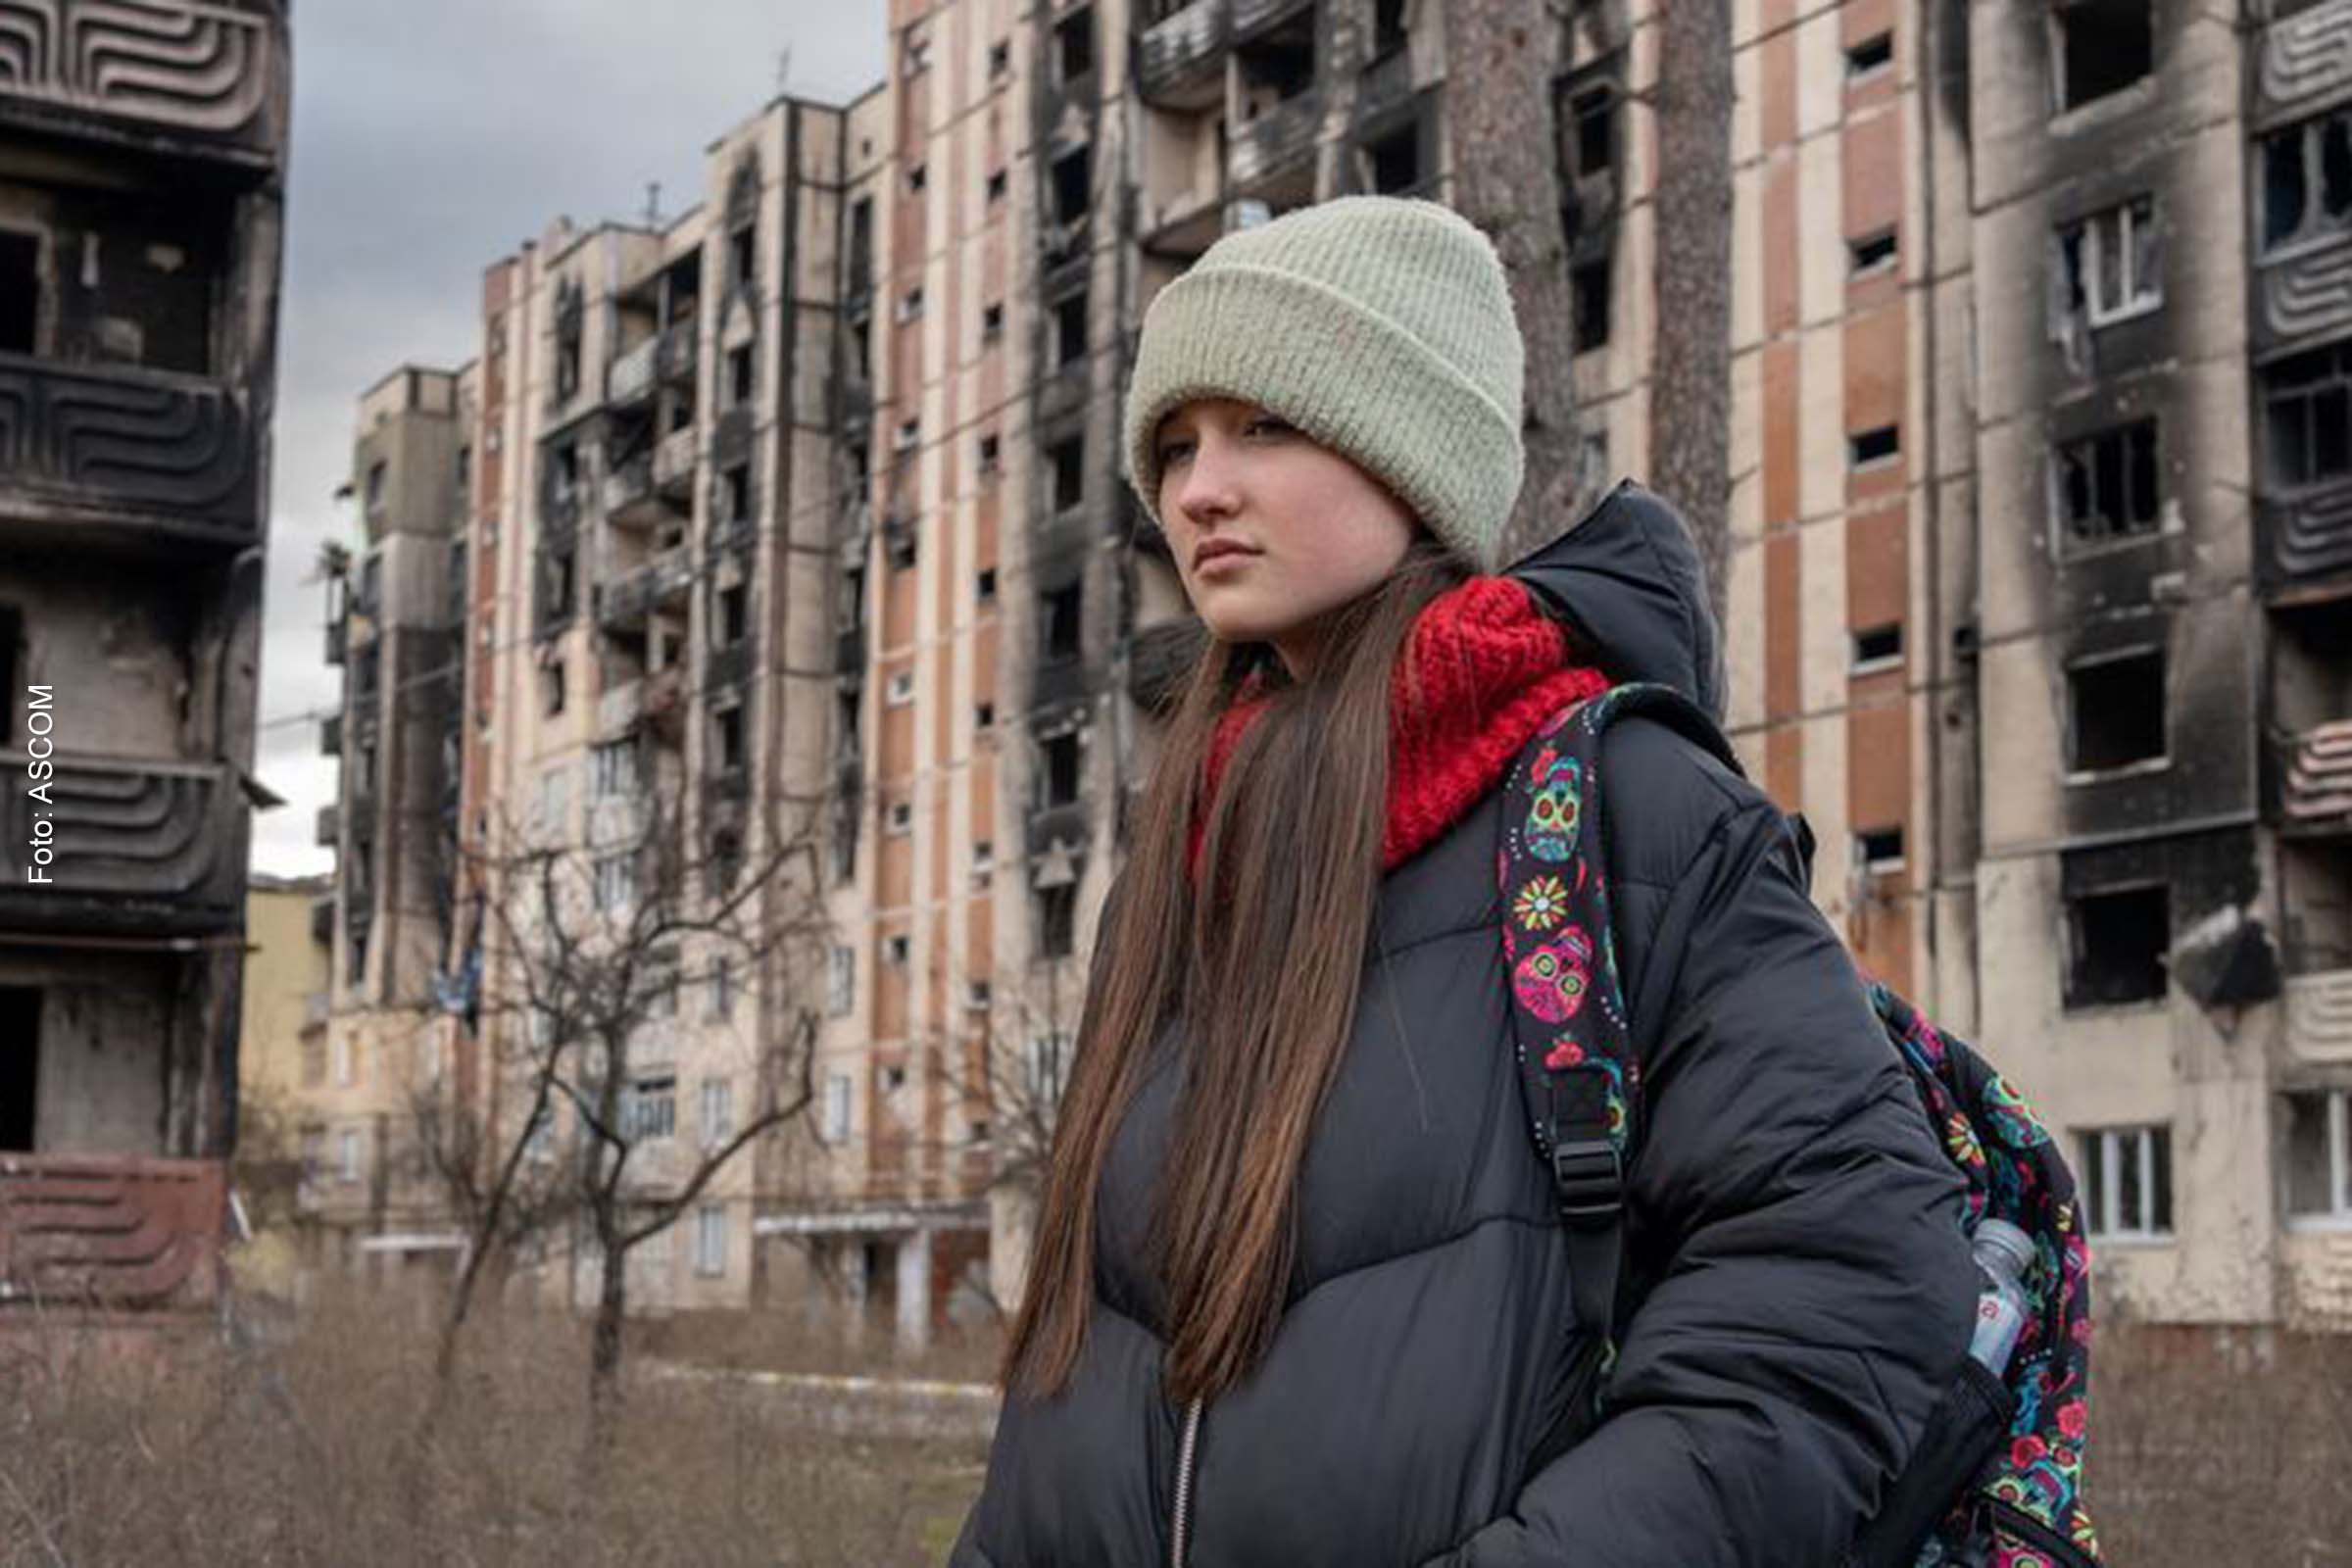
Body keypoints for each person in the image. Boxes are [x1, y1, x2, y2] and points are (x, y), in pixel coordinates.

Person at [946, 197, 1975, 1567]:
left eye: (1265, 424)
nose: (1197, 490)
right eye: (1176, 444)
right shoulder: (1193, 851)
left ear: (1409, 453)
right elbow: (1078, 1395)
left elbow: (1844, 1292)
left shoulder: (1627, 815)